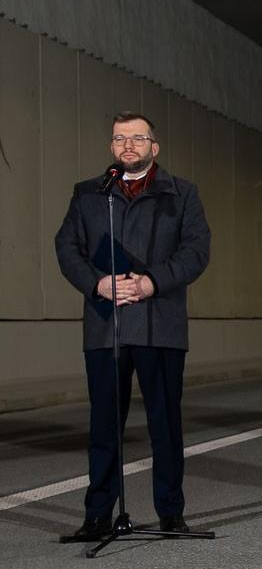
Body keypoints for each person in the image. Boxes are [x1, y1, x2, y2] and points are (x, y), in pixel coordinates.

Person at [54, 111, 212, 540]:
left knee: (165, 424)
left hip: (160, 324)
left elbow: (196, 251)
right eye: (120, 138)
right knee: (104, 426)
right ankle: (97, 516)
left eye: (138, 138)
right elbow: (67, 248)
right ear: (111, 146)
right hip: (107, 326)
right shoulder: (89, 194)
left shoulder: (181, 194)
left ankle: (171, 513)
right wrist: (98, 284)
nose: (128, 145)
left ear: (153, 147)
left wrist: (151, 282)